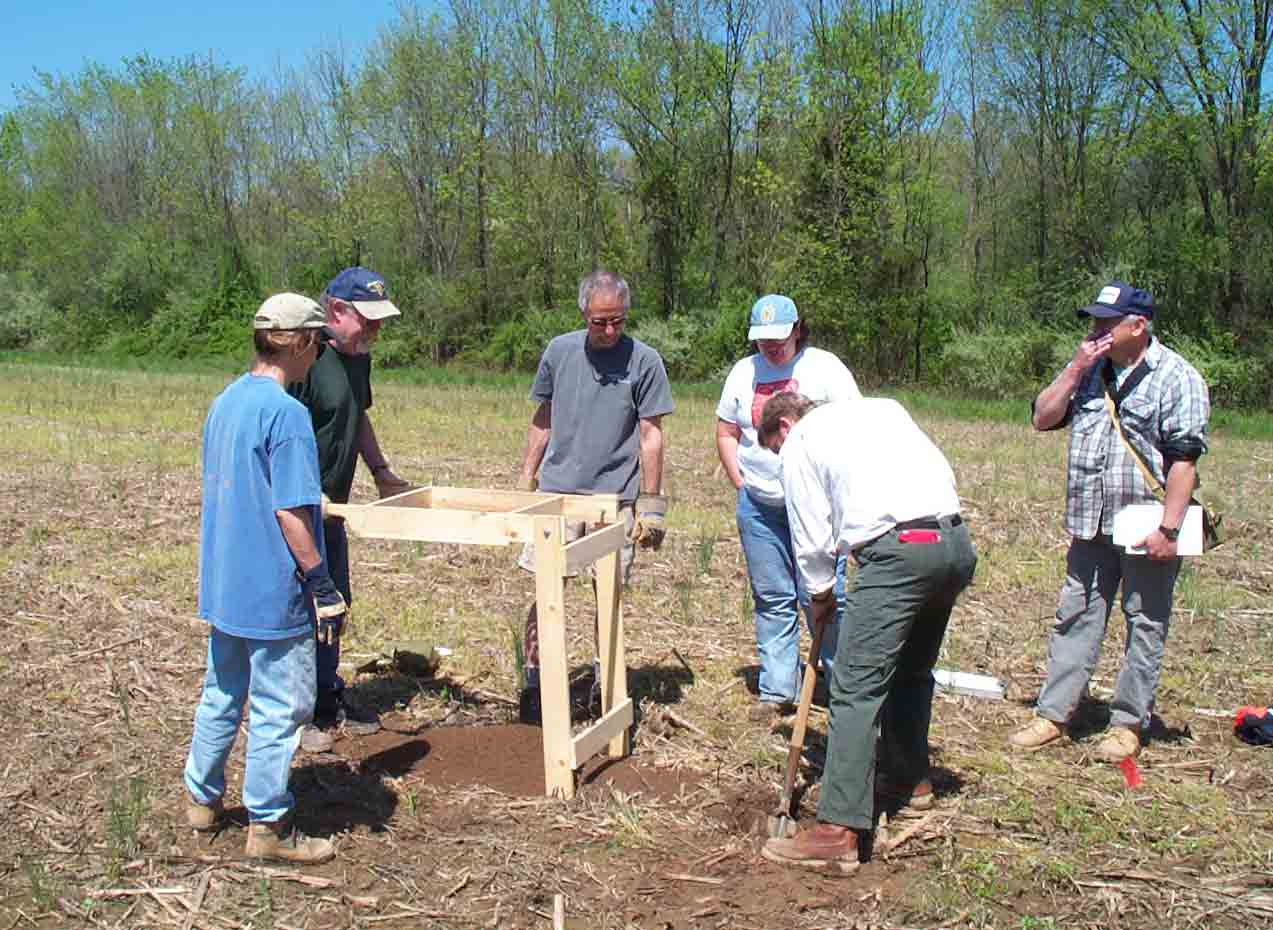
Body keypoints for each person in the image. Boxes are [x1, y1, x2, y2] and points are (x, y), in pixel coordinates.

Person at [756, 393, 977, 874]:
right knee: (911, 672)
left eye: (774, 448)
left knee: (855, 687)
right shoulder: (882, 409)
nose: (780, 457)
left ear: (785, 426)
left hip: (899, 552)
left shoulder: (799, 444)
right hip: (954, 544)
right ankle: (909, 780)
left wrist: (818, 596)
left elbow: (811, 535)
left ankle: (837, 831)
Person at [1008, 281, 1210, 762]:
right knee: (1075, 616)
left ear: (1137, 326)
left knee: (1145, 621)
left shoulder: (1178, 377)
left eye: (1107, 321)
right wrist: (1076, 368)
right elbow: (1041, 418)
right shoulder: (1087, 370)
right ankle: (1054, 714)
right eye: (1094, 320)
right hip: (1089, 521)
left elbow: (1184, 460)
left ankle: (1127, 724)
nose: (1097, 329)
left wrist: (1169, 530)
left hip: (1145, 523)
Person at [183, 293, 341, 864]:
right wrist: (321, 583)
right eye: (319, 342)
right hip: (273, 593)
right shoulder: (288, 415)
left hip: (225, 584)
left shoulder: (225, 401)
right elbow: (291, 511)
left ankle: (201, 802)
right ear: (299, 343)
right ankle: (268, 827)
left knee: (222, 694)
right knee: (281, 706)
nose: (320, 351)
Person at [514, 270, 674, 723]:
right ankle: (536, 683)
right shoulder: (559, 352)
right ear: (583, 313)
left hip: (614, 500)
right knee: (547, 591)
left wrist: (652, 503)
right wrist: (527, 478)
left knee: (609, 595)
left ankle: (607, 686)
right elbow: (543, 416)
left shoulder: (645, 362)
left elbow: (651, 435)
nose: (608, 331)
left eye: (617, 322)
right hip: (558, 494)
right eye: (599, 322)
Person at [715, 294, 860, 722]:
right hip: (760, 506)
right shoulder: (744, 372)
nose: (771, 347)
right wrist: (740, 481)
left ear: (798, 330)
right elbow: (725, 431)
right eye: (762, 340)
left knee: (823, 596)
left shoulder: (825, 369)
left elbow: (854, 429)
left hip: (815, 510)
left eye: (779, 338)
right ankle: (778, 689)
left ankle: (841, 687)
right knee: (772, 597)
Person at [290, 267, 409, 753]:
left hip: (333, 507)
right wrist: (298, 491)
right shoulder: (303, 358)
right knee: (299, 607)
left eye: (381, 322)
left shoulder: (357, 359)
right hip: (295, 511)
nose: (375, 331)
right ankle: (298, 713)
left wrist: (380, 470)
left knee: (335, 601)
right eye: (368, 320)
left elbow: (357, 416)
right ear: (336, 311)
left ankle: (327, 695)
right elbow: (278, 430)